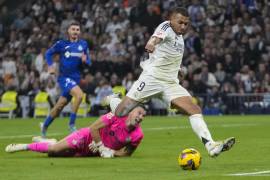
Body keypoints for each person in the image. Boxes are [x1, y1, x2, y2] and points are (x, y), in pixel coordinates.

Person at [107, 7, 235, 157]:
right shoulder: (166, 27)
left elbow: (169, 55)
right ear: (171, 19)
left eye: (186, 24)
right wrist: (152, 43)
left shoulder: (180, 39)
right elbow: (156, 37)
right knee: (120, 112)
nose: (183, 26)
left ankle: (211, 146)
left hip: (170, 84)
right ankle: (113, 99)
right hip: (151, 79)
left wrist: (179, 69)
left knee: (194, 109)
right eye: (180, 22)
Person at [5, 98, 145, 158]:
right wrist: (101, 146)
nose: (140, 117)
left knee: (56, 155)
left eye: (143, 116)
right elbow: (93, 128)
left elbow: (126, 154)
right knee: (53, 151)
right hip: (86, 138)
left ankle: (51, 141)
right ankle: (24, 146)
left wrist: (110, 152)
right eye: (139, 112)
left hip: (94, 151)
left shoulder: (138, 135)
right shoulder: (116, 115)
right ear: (131, 111)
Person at [40, 21, 91, 138]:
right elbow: (48, 53)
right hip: (64, 78)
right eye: (73, 29)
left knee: (59, 106)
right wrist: (51, 66)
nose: (75, 31)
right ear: (68, 31)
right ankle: (72, 124)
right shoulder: (61, 44)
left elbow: (88, 62)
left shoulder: (84, 44)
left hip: (76, 79)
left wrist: (85, 61)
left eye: (77, 30)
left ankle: (44, 126)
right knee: (79, 95)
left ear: (80, 32)